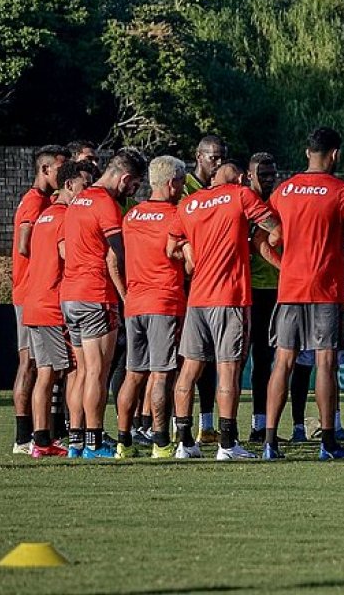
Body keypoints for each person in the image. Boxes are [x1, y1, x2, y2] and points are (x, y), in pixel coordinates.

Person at [262, 128, 344, 461]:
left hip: (290, 288)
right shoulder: (340, 190)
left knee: (282, 363)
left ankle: (270, 442)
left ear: (306, 152)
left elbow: (266, 235)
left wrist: (282, 265)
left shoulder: (284, 191)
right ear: (335, 154)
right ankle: (327, 443)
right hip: (325, 289)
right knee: (325, 364)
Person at [169, 162, 280, 460]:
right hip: (229, 296)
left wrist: (193, 256)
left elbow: (172, 248)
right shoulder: (241, 195)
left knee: (189, 370)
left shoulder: (189, 203)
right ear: (242, 177)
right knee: (228, 370)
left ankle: (183, 442)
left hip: (197, 298)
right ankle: (227, 444)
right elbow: (274, 227)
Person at [61, 147, 146, 459]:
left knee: (82, 372)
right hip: (95, 294)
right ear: (124, 177)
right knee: (97, 372)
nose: (134, 190)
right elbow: (120, 253)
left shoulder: (78, 201)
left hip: (70, 295)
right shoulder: (106, 204)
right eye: (135, 184)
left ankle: (75, 441)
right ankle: (94, 443)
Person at [114, 156, 188, 460]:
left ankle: (123, 442)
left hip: (135, 304)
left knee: (133, 374)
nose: (183, 189)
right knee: (161, 375)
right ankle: (160, 442)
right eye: (182, 183)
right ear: (172, 184)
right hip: (164, 302)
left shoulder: (131, 216)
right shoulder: (177, 215)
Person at [24, 160, 93, 458]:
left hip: (34, 303)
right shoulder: (66, 216)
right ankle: (74, 436)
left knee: (45, 373)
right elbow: (68, 254)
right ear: (69, 185)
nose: (87, 191)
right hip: (53, 306)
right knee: (73, 369)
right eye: (84, 185)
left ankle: (41, 441)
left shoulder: (47, 215)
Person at [10, 144, 67, 455]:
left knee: (41, 365)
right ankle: (23, 437)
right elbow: (23, 246)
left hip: (31, 292)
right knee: (30, 364)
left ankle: (38, 435)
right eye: (60, 168)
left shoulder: (40, 200)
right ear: (46, 169)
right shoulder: (35, 202)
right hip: (30, 292)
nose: (64, 174)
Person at [183, 135, 228, 445]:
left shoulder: (220, 192)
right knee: (186, 361)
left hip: (210, 286)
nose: (218, 163)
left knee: (209, 361)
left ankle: (207, 425)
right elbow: (179, 238)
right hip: (190, 286)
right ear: (198, 156)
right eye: (213, 157)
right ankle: (174, 428)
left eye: (221, 157)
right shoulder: (185, 189)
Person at [246, 152, 280, 443]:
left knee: (267, 360)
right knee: (238, 360)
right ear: (249, 176)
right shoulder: (243, 203)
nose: (268, 179)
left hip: (277, 292)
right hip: (249, 291)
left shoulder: (278, 204)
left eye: (271, 174)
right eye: (262, 174)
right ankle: (217, 426)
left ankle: (261, 424)